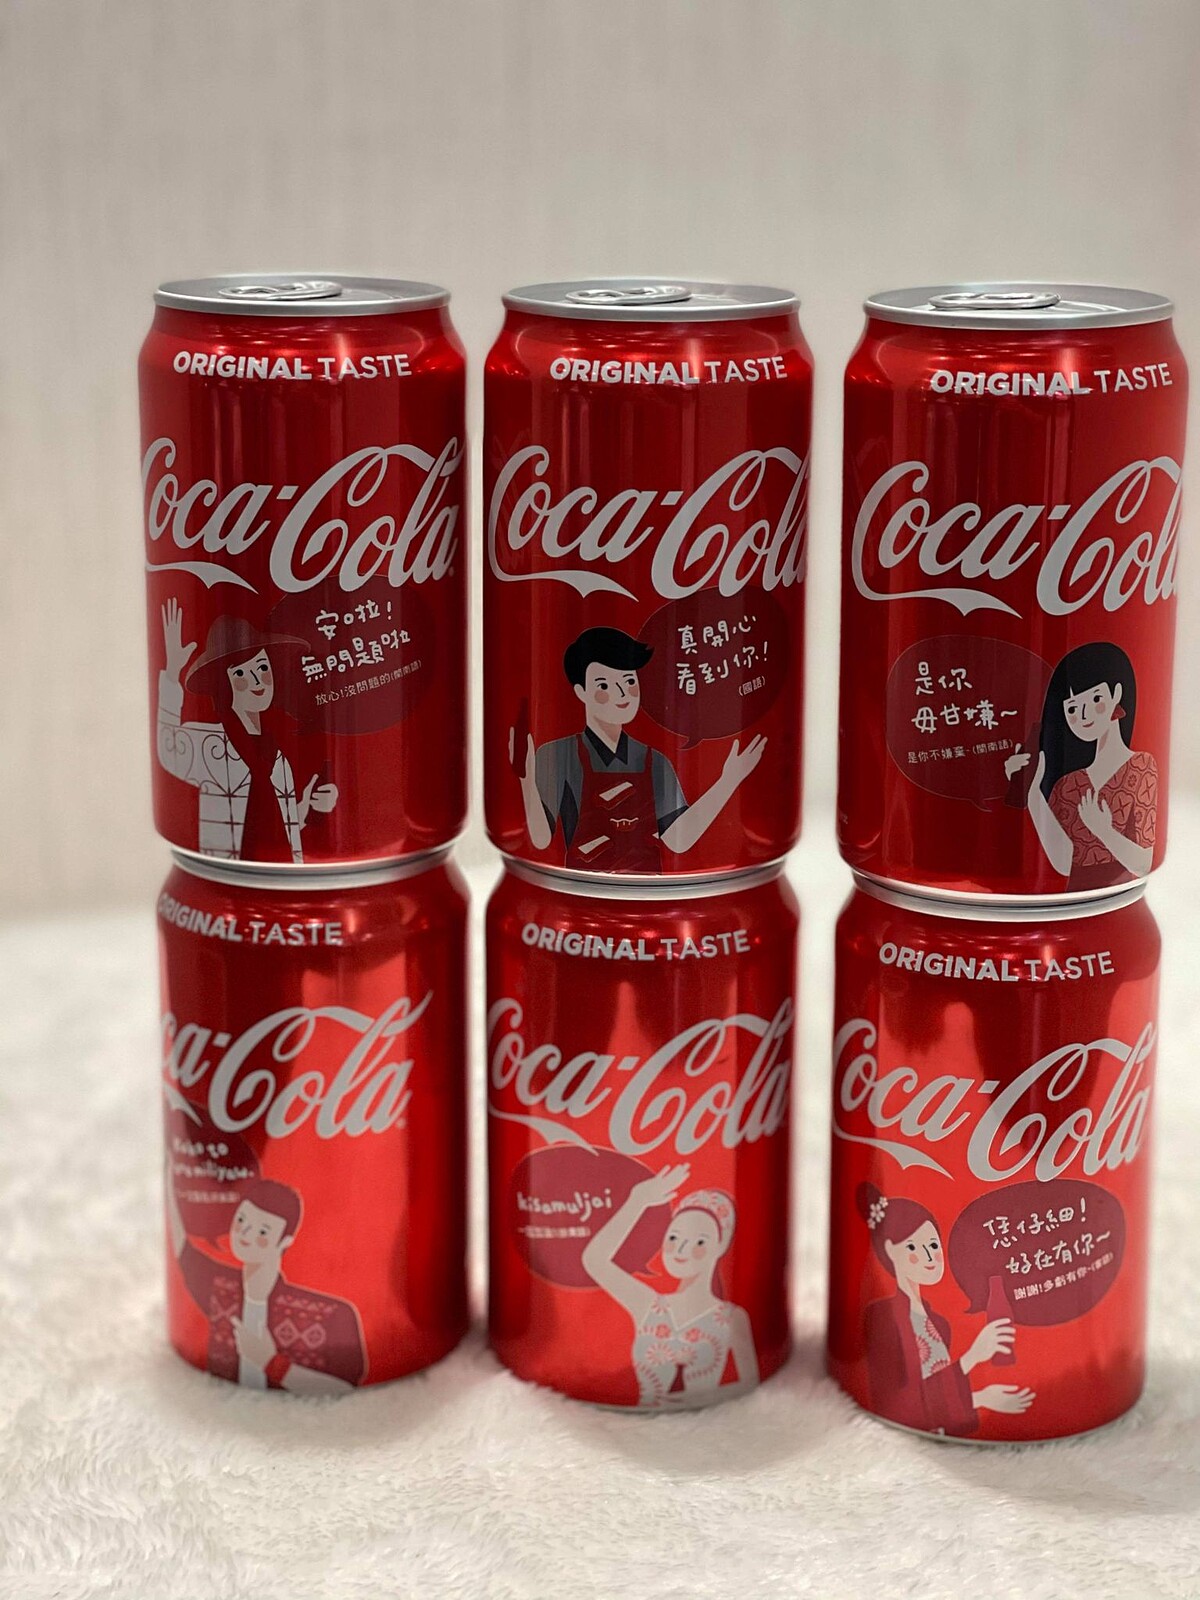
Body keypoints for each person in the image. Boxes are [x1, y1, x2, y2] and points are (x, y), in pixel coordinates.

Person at [509, 626, 766, 873]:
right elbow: (541, 839)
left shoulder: (656, 760)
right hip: (582, 884)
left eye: (629, 681)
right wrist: (526, 778)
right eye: (604, 686)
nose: (622, 694)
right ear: (581, 692)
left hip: (653, 880)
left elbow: (678, 839)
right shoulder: (558, 753)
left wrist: (728, 781)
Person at [156, 599, 338, 863]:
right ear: (225, 685)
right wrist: (172, 673)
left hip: (283, 865)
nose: (256, 681)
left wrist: (309, 807)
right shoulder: (209, 743)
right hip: (226, 862)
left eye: (262, 667)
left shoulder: (278, 759)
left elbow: (282, 824)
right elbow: (167, 752)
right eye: (241, 673)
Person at [165, 1168, 366, 1393]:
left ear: (284, 1242)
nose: (246, 1233)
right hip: (220, 1403)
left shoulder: (331, 1314)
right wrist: (171, 1169)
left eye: (262, 1232)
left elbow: (345, 1385)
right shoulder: (219, 1286)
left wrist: (271, 1363)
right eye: (242, 1220)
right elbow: (182, 1245)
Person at [857, 1182, 1033, 1436]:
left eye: (933, 1246)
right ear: (890, 1250)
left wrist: (978, 1394)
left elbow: (936, 1396)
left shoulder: (939, 1323)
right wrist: (973, 1365)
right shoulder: (881, 1315)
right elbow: (896, 1400)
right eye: (912, 1247)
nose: (929, 1258)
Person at [581, 1162, 759, 1408]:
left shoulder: (731, 1317)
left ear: (720, 1246)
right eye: (674, 1237)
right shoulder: (650, 1306)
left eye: (699, 1242)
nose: (681, 1250)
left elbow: (750, 1380)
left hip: (705, 1425)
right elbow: (594, 1260)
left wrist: (707, 1397)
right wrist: (637, 1201)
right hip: (641, 1429)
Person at [1004, 641, 1157, 892]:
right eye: (1073, 708)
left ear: (1116, 694)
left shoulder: (1141, 767)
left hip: (1117, 893)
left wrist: (1103, 831)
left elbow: (1142, 863)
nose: (1083, 715)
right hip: (1071, 890)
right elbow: (1064, 863)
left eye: (1095, 698)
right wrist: (1032, 794)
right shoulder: (1068, 784)